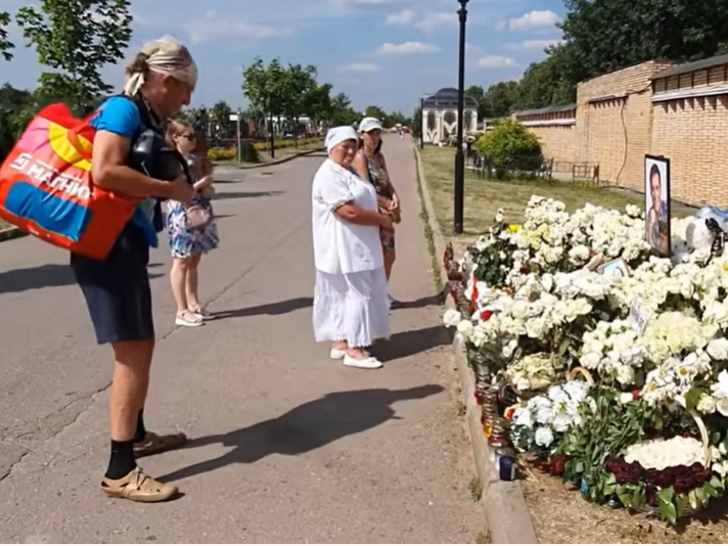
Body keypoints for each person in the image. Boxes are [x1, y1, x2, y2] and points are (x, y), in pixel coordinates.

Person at [69, 36, 197, 502]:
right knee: (133, 351)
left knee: (139, 344)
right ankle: (120, 468)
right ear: (164, 80)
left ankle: (138, 434)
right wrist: (168, 189)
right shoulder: (123, 108)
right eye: (184, 89)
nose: (187, 99)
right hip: (106, 246)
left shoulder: (143, 113)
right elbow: (103, 171)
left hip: (122, 243)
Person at [312, 126, 392, 369]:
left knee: (344, 295)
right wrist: (381, 220)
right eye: (343, 146)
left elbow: (361, 196)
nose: (349, 151)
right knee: (359, 294)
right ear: (331, 147)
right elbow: (347, 212)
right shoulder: (329, 175)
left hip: (352, 244)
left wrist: (384, 206)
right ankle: (355, 349)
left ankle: (343, 340)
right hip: (348, 246)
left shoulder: (343, 171)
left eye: (352, 146)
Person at [165, 120, 219, 327]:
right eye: (188, 137)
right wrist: (199, 185)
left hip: (199, 210)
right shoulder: (171, 161)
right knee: (181, 260)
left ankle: (193, 302)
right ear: (175, 137)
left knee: (194, 260)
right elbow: (174, 189)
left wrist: (207, 188)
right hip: (181, 212)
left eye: (194, 136)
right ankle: (181, 309)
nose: (193, 141)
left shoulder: (196, 160)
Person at [352, 117, 401, 289]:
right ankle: (376, 294)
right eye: (371, 133)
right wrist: (387, 204)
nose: (375, 137)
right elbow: (367, 189)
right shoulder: (360, 157)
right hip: (373, 210)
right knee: (380, 255)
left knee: (389, 255)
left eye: (377, 133)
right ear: (362, 135)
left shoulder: (379, 157)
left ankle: (381, 291)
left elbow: (387, 181)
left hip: (385, 208)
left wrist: (395, 197)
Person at [646, 164, 669, 255]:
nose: (655, 193)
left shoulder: (666, 210)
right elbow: (650, 242)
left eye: (657, 188)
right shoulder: (650, 212)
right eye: (652, 188)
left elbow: (665, 246)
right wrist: (652, 223)